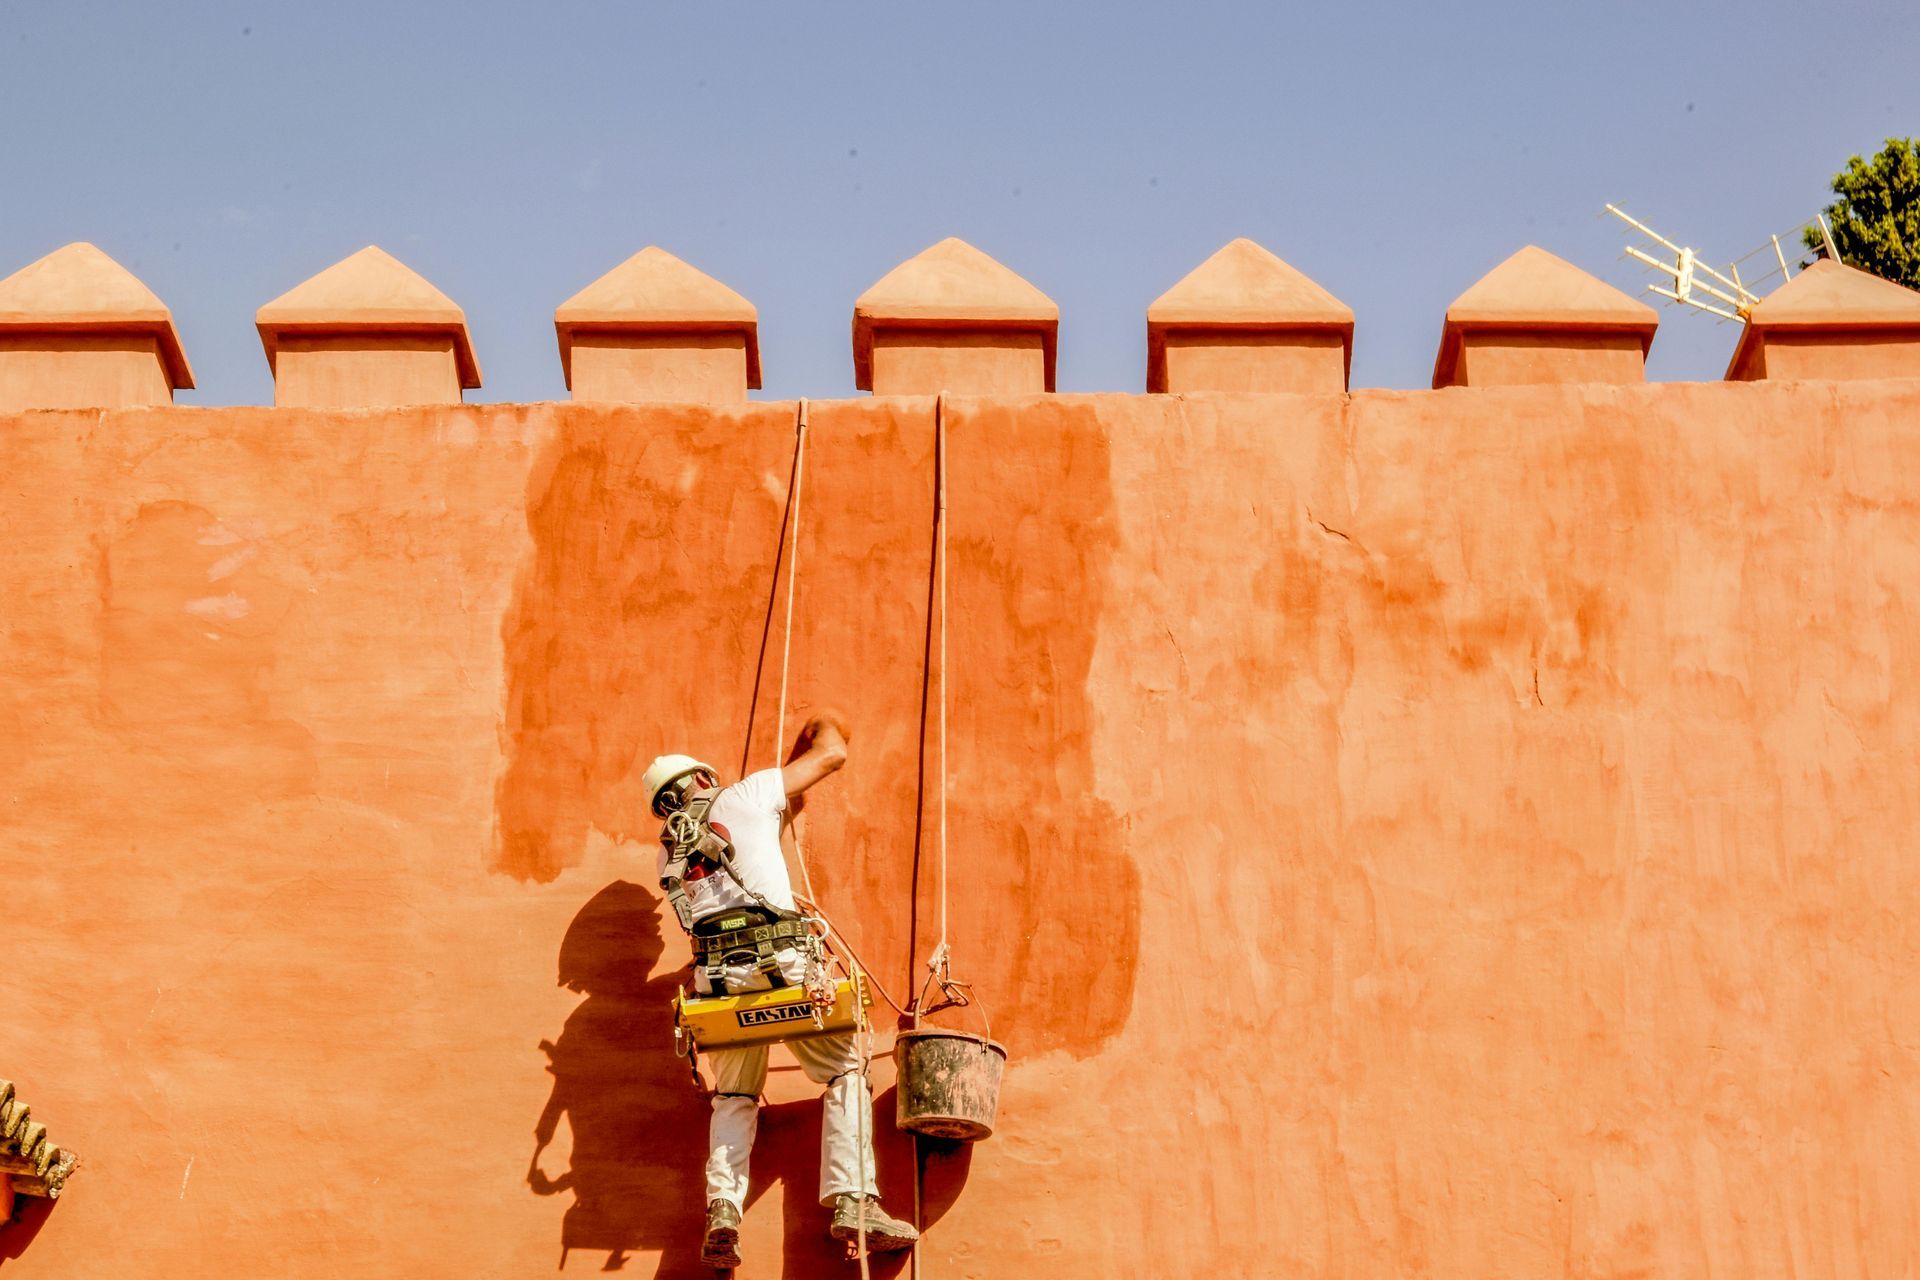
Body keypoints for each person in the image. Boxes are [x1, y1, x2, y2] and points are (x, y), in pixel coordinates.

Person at [642, 712, 919, 1270]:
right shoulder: (746, 796)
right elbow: (832, 756)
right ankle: (854, 1199)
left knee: (734, 1096)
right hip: (784, 968)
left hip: (718, 986)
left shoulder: (666, 858)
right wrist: (824, 724)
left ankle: (723, 1208)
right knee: (846, 1072)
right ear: (701, 780)